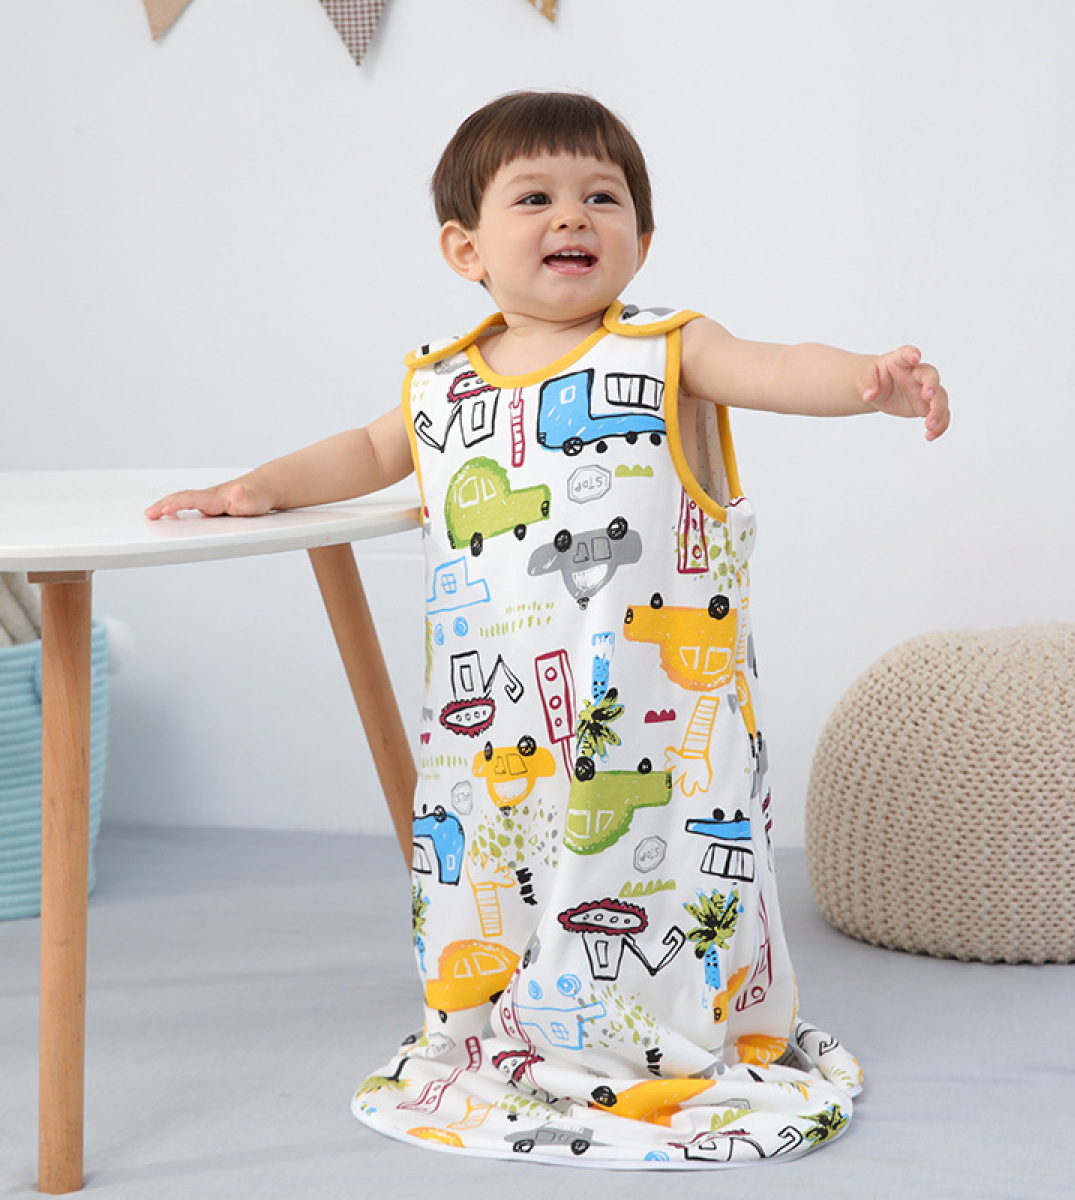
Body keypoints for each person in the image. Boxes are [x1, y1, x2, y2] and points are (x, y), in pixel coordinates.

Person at [147, 91, 949, 1167]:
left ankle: (652, 1043)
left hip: (653, 733)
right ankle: (509, 1029)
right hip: (491, 734)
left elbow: (771, 366)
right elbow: (365, 451)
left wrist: (863, 383)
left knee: (657, 895)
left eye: (601, 198)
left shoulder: (668, 349)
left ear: (642, 239)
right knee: (493, 889)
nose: (572, 216)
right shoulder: (440, 385)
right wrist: (256, 488)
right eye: (535, 198)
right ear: (466, 248)